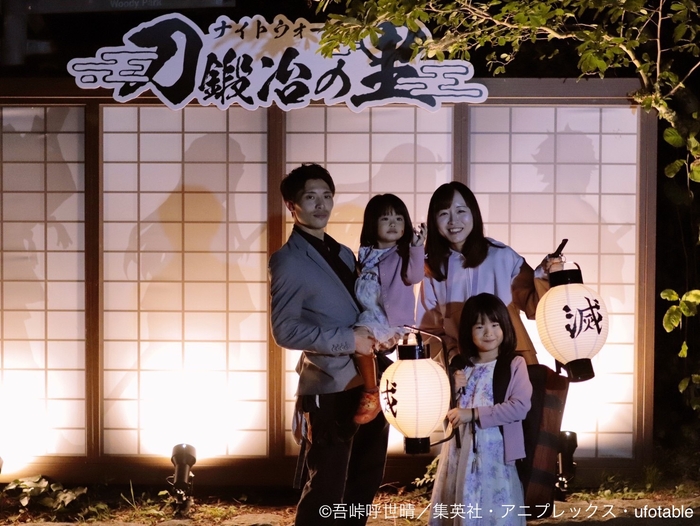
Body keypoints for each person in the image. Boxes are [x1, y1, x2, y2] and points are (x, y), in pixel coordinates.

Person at [268, 163, 389, 526]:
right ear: (292, 205)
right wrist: (348, 340)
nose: (321, 205)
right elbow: (285, 330)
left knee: (365, 477)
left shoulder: (344, 253)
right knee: (327, 485)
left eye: (327, 196)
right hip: (329, 384)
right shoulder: (288, 260)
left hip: (367, 380)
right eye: (311, 197)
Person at [417, 181, 561, 368]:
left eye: (461, 211)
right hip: (465, 368)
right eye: (444, 213)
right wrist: (453, 355)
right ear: (433, 221)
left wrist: (545, 275)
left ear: (474, 213)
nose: (453, 221)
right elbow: (428, 332)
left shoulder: (502, 256)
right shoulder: (433, 270)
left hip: (514, 362)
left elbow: (535, 308)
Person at [429, 293, 532, 526]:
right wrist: (452, 389)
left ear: (505, 326)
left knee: (495, 509)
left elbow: (519, 407)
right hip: (459, 453)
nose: (488, 333)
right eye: (479, 326)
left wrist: (474, 414)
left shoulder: (513, 364)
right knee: (461, 503)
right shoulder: (459, 365)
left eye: (495, 325)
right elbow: (441, 409)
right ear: (468, 331)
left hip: (496, 453)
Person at [353, 193, 426, 424]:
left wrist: (417, 248)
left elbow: (415, 276)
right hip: (367, 313)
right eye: (385, 218)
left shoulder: (403, 254)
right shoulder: (365, 252)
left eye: (398, 218)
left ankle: (371, 391)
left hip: (387, 318)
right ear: (372, 224)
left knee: (360, 341)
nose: (393, 223)